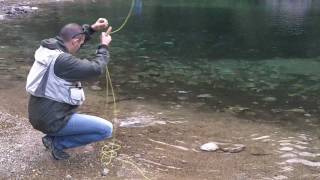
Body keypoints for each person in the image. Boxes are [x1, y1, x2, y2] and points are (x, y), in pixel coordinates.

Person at [26, 18, 113, 160]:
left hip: (37, 114)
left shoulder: (49, 46)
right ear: (74, 41)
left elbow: (73, 39)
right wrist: (103, 47)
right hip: (51, 120)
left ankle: (52, 137)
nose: (81, 45)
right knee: (106, 129)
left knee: (78, 115)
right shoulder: (63, 62)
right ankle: (57, 143)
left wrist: (92, 28)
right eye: (80, 43)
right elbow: (96, 68)